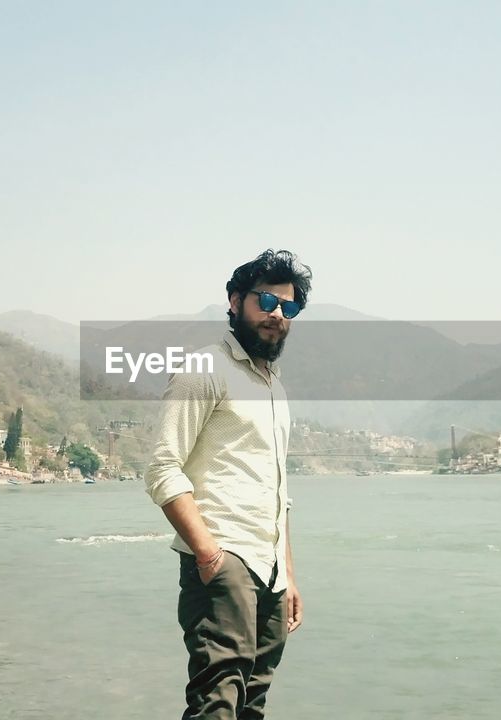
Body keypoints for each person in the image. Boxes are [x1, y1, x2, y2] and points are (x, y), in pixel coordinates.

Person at [145, 249, 311, 719]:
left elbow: (279, 493)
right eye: (266, 301)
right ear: (236, 301)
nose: (277, 314)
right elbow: (162, 468)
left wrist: (290, 575)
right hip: (225, 559)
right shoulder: (206, 369)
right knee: (217, 702)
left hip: (271, 570)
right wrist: (210, 556)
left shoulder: (272, 385)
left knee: (251, 705)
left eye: (289, 307)